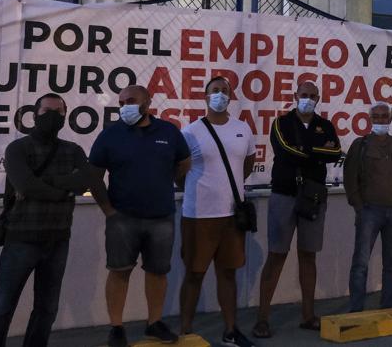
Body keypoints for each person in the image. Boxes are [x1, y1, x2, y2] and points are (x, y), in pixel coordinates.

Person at [0, 93, 97, 347]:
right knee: (2, 307)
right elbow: (25, 185)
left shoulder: (73, 150)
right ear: (34, 114)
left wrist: (48, 184)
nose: (53, 116)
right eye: (47, 111)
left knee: (47, 309)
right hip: (21, 239)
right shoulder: (17, 148)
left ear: (65, 116)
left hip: (58, 240)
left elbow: (85, 181)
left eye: (59, 112)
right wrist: (63, 190)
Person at [89, 85, 191, 347]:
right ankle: (116, 327)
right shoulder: (110, 135)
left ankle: (154, 323)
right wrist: (109, 211)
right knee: (119, 271)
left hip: (162, 217)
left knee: (157, 272)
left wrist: (166, 182)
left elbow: (184, 162)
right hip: (122, 218)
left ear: (147, 102)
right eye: (121, 103)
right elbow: (94, 175)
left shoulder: (168, 132)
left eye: (131, 101)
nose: (125, 106)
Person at [253, 81, 342, 338]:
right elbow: (285, 149)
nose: (308, 99)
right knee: (276, 255)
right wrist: (316, 151)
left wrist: (307, 150)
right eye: (304, 95)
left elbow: (334, 152)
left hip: (313, 196)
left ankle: (308, 315)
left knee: (308, 255)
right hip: (284, 194)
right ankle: (262, 318)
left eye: (313, 96)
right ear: (295, 96)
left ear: (319, 98)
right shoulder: (281, 123)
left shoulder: (325, 125)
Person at [179, 76, 257, 347]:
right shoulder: (190, 132)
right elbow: (180, 172)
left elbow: (246, 166)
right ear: (205, 96)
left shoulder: (243, 129)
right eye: (215, 91)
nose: (220, 95)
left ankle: (230, 331)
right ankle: (186, 332)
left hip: (231, 215)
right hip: (198, 216)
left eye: (225, 91)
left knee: (228, 273)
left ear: (231, 96)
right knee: (194, 273)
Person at [344, 103, 392, 313]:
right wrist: (359, 206)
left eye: (385, 116)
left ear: (390, 119)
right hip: (369, 211)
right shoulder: (361, 144)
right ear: (370, 118)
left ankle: (388, 307)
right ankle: (356, 309)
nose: (381, 120)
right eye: (377, 116)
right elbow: (350, 177)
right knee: (361, 263)